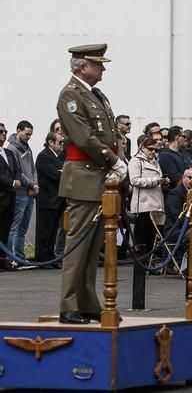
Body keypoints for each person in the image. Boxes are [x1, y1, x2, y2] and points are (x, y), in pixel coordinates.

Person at [56, 44, 127, 324]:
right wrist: (113, 160)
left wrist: (117, 158)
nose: (103, 70)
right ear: (82, 66)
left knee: (92, 246)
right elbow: (84, 137)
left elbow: (111, 134)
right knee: (78, 247)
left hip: (99, 177)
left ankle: (86, 302)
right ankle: (68, 305)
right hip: (84, 177)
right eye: (98, 65)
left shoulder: (96, 95)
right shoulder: (70, 96)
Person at [128, 136, 169, 257]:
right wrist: (156, 180)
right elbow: (134, 181)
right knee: (142, 238)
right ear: (142, 147)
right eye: (150, 149)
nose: (153, 152)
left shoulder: (155, 162)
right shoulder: (136, 161)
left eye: (156, 150)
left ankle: (150, 262)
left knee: (153, 237)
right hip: (143, 205)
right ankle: (141, 265)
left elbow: (158, 180)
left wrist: (164, 182)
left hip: (156, 204)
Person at [6, 120, 39, 262]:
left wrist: (35, 184)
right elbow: (18, 171)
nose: (28, 137)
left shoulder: (27, 147)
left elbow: (32, 168)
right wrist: (32, 184)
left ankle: (20, 257)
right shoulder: (12, 149)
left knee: (23, 229)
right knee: (15, 227)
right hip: (20, 193)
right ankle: (11, 257)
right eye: (26, 134)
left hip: (30, 192)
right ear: (18, 130)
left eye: (30, 135)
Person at [34, 131, 66, 266]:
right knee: (44, 231)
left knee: (52, 231)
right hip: (47, 200)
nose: (62, 145)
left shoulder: (60, 157)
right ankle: (42, 258)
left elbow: (65, 172)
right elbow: (55, 175)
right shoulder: (43, 156)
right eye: (59, 142)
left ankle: (49, 256)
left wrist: (62, 171)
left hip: (57, 200)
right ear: (50, 143)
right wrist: (61, 172)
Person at [0, 122, 22, 271]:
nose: (4, 134)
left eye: (5, 131)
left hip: (10, 197)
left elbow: (17, 169)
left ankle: (2, 259)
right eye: (1, 131)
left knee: (5, 229)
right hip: (1, 195)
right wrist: (12, 182)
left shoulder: (9, 153)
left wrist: (17, 180)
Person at [158, 125, 187, 193]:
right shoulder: (165, 155)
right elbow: (173, 177)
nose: (185, 139)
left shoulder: (183, 153)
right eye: (183, 136)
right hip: (173, 193)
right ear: (177, 137)